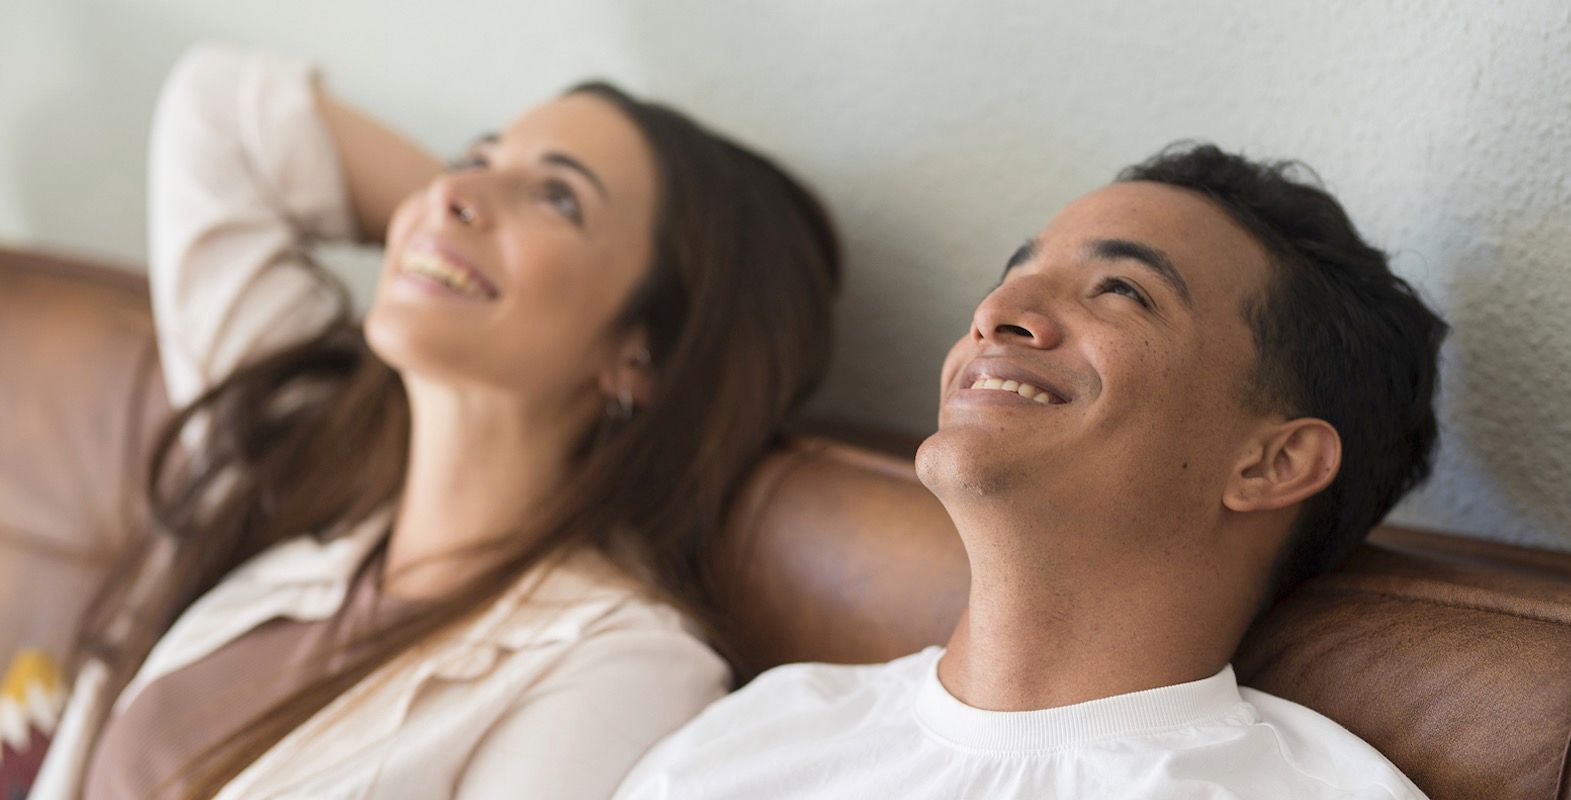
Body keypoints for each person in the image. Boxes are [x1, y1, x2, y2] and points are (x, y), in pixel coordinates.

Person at [31, 42, 839, 800]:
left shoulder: (618, 668)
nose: (452, 193)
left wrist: (464, 251)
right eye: (470, 161)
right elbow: (220, 110)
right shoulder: (299, 456)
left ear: (643, 353)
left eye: (559, 198)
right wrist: (451, 239)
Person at [616, 144, 1444, 799]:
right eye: (1013, 275)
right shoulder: (757, 736)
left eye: (1120, 289)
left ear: (1271, 462)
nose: (994, 315)